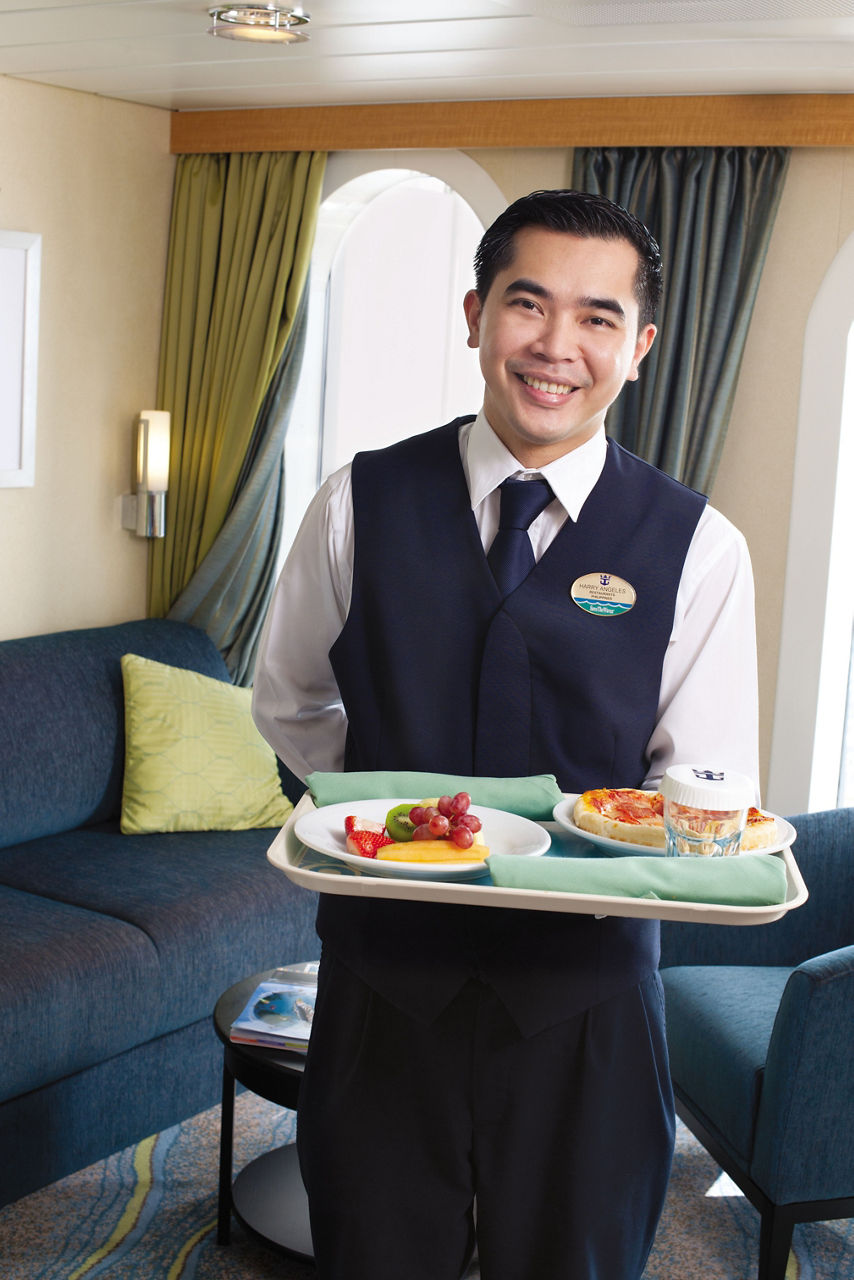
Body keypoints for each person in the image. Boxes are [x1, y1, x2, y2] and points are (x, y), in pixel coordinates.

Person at [252, 189, 759, 1280]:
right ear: (475, 312)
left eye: (595, 317)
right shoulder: (357, 501)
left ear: (639, 346)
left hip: (585, 1001)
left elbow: (699, 778)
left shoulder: (698, 547)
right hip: (384, 982)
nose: (554, 346)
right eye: (527, 305)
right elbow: (289, 700)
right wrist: (386, 817)